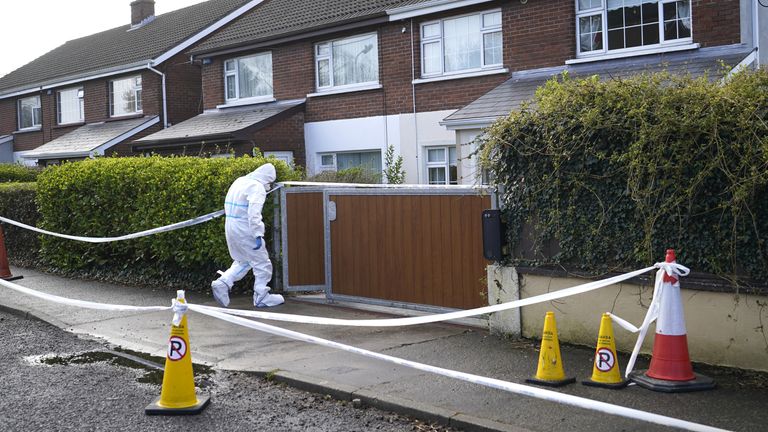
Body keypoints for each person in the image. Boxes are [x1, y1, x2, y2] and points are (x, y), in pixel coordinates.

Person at [211, 163, 284, 308]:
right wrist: (258, 233)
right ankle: (261, 296)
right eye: (269, 183)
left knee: (243, 261)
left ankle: (223, 283)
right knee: (262, 263)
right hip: (245, 228)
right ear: (267, 179)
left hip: (230, 226)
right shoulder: (257, 187)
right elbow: (254, 213)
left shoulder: (240, 181)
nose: (269, 186)